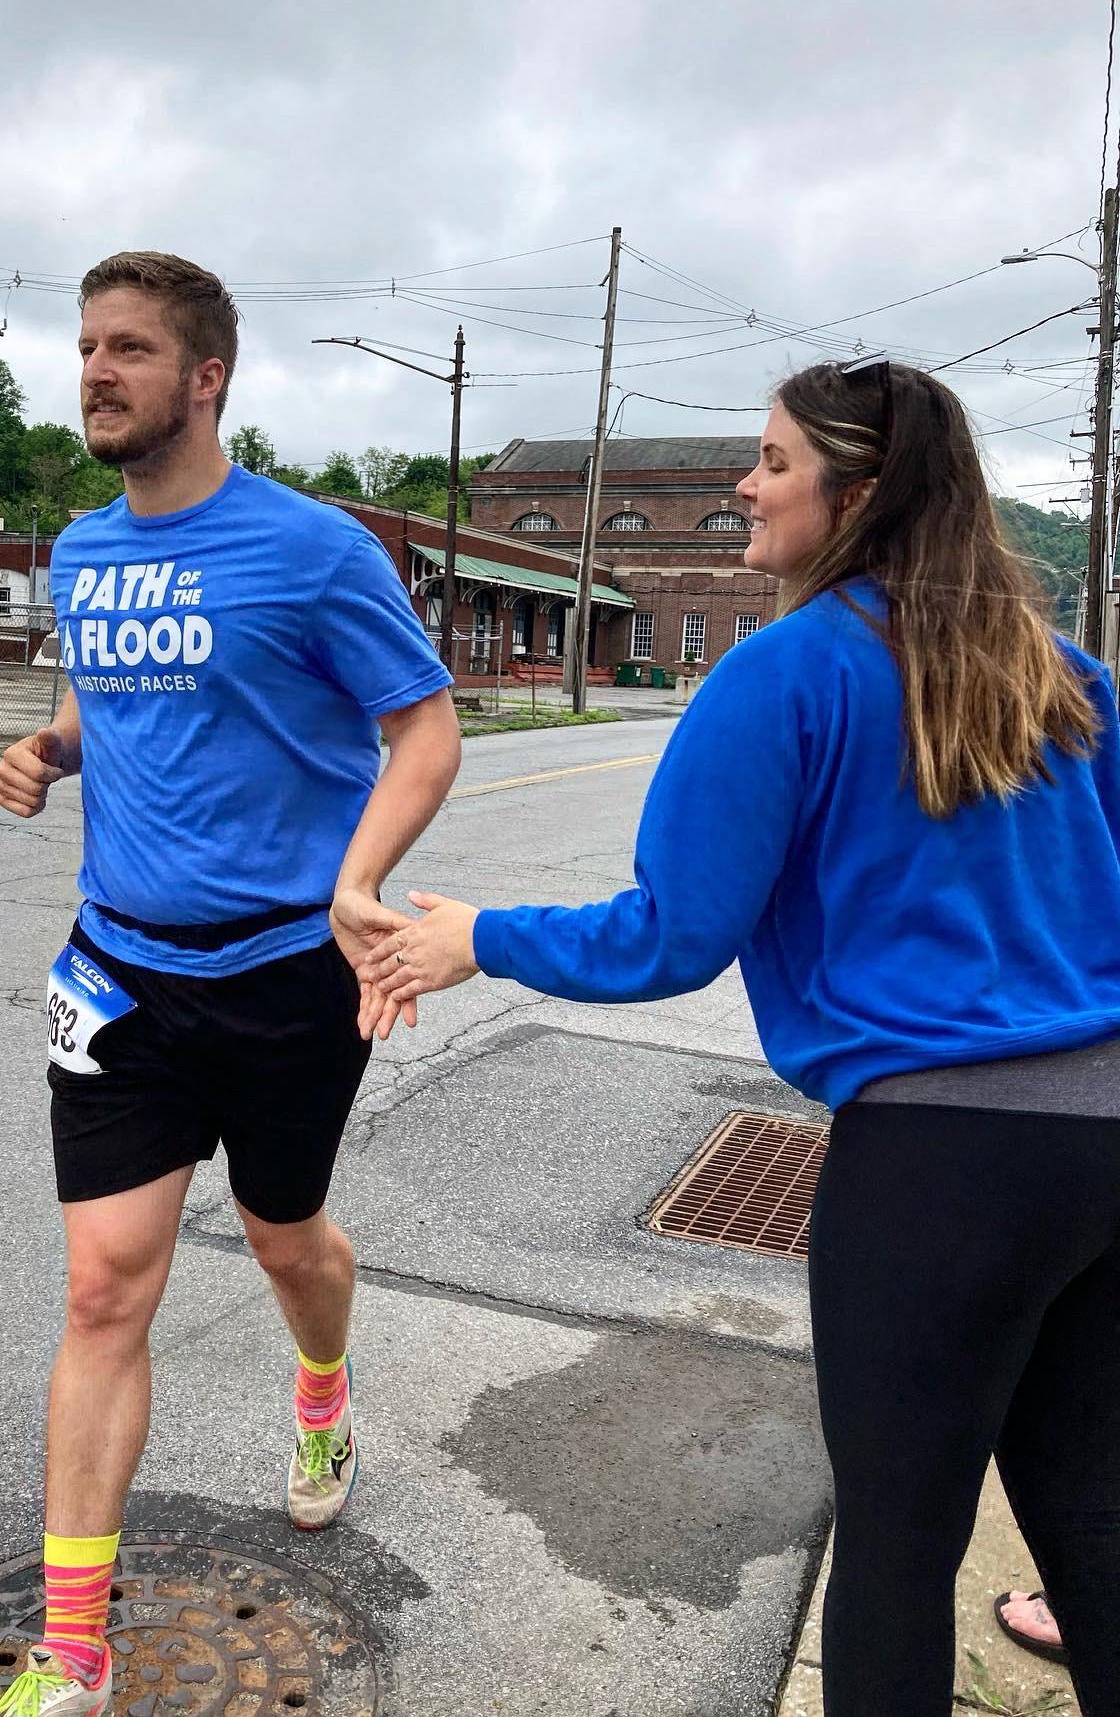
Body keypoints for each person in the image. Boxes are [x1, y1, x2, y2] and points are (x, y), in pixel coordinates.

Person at [362, 359, 1120, 1717]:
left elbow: (672, 935)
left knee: (898, 1548)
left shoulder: (784, 673)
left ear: (859, 493)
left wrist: (479, 935)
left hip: (942, 1159)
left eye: (773, 463)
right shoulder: (1067, 677)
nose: (743, 485)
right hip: (1110, 1146)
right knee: (1094, 1517)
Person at [0, 251, 459, 1717]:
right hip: (122, 975)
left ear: (206, 377)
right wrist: (54, 748)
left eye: (128, 349)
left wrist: (358, 882)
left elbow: (427, 729)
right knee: (101, 1287)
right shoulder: (80, 550)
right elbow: (101, 695)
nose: (95, 373)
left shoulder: (315, 550)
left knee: (284, 1240)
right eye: (83, 348)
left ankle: (320, 1403)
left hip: (283, 980)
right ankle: (75, 1652)